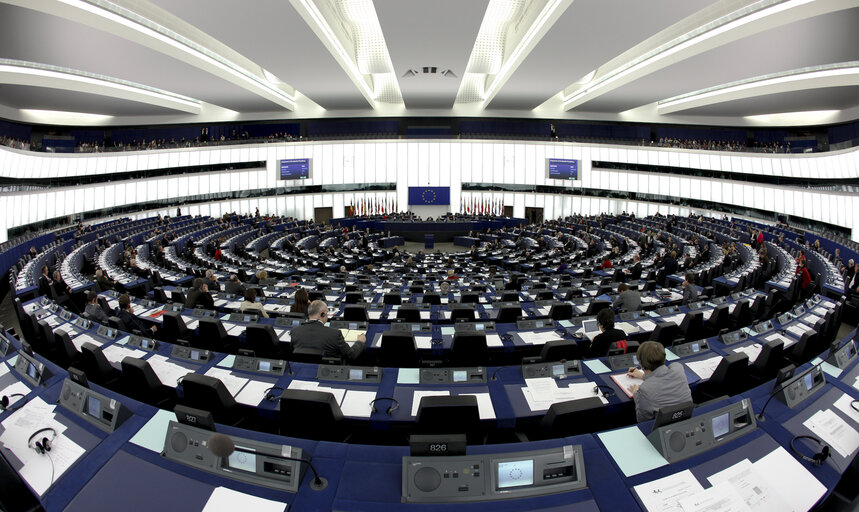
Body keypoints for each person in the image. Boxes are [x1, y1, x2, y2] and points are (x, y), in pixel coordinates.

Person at [627, 341, 692, 422]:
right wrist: (642, 376)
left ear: (641, 363)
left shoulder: (645, 389)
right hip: (687, 418)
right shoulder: (678, 368)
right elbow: (662, 377)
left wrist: (636, 394)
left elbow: (642, 420)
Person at [290, 300, 365, 361]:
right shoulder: (335, 334)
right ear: (322, 314)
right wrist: (360, 342)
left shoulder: (294, 331)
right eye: (327, 313)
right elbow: (351, 355)